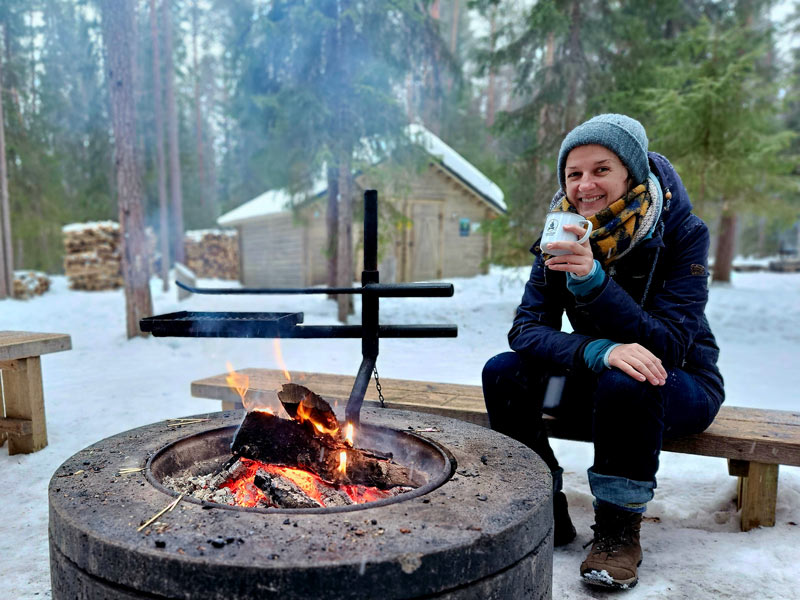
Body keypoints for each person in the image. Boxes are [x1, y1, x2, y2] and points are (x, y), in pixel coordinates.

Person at [482, 114, 724, 590]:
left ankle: (617, 533)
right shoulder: (562, 233)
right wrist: (596, 349)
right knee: (504, 372)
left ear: (630, 174)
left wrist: (594, 283)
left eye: (601, 169)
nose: (585, 185)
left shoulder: (682, 232)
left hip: (681, 383)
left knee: (628, 379)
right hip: (601, 379)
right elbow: (527, 330)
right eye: (574, 174)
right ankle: (542, 505)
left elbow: (669, 345)